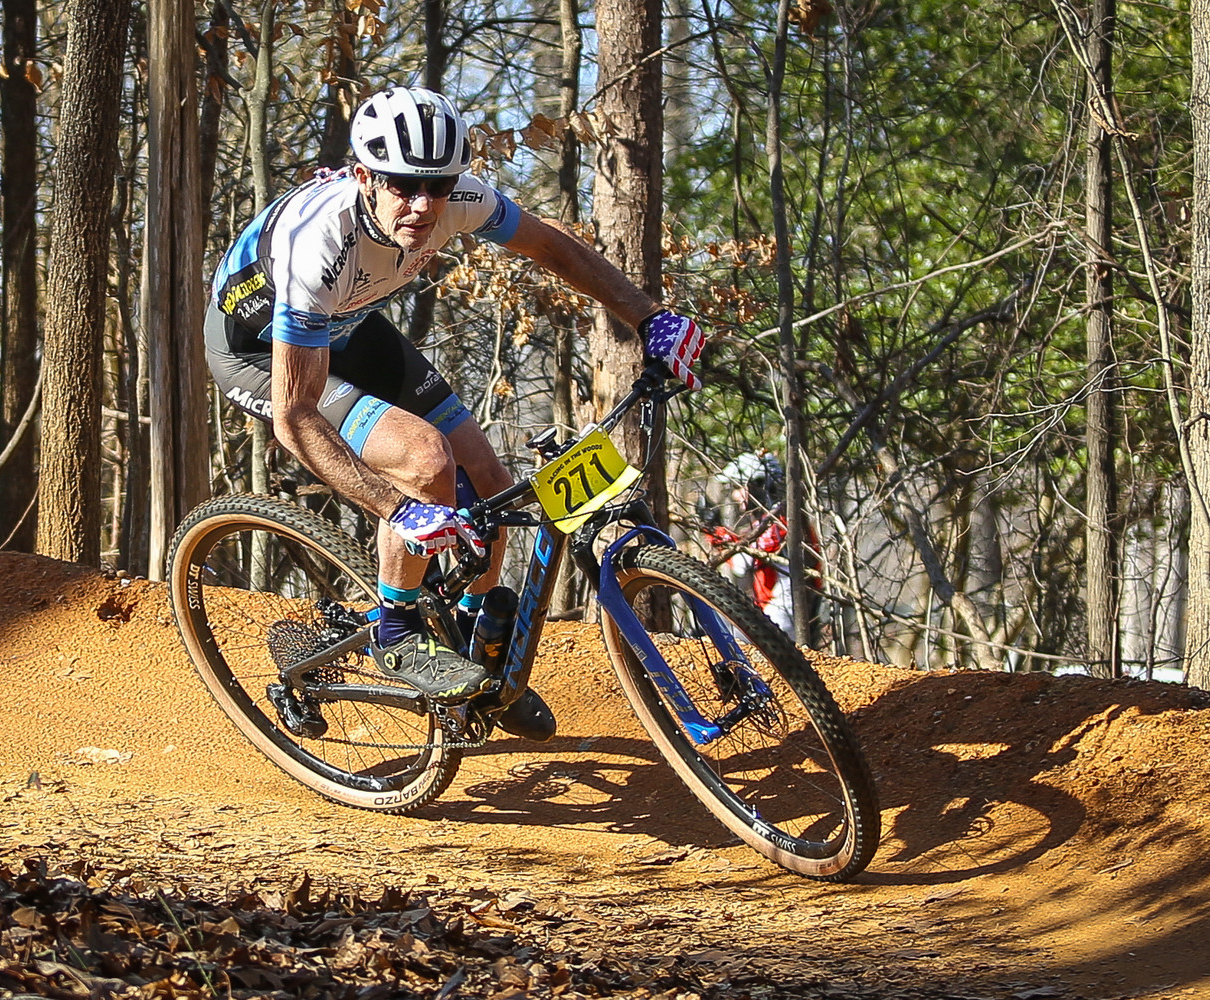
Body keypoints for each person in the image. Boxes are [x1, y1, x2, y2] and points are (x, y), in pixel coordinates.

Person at [204, 86, 706, 721]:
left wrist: (648, 317)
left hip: (350, 326)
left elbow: (551, 246)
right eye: (402, 186)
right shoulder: (320, 245)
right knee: (423, 461)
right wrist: (396, 508)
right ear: (364, 176)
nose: (422, 205)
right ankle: (395, 631)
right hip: (258, 351)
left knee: (487, 480)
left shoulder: (463, 200)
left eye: (436, 186)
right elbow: (294, 416)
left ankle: (472, 649)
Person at [703, 451, 822, 637]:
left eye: (738, 487)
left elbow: (742, 564)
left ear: (756, 485)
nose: (735, 495)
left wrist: (714, 532)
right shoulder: (776, 518)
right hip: (777, 610)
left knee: (719, 635)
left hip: (784, 614)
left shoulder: (780, 522)